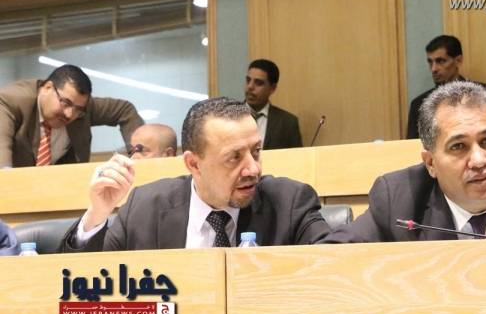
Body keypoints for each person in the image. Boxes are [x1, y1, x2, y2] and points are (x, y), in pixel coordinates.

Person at [322, 81, 486, 243]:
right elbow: (329, 261)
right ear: (430, 163)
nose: (479, 160)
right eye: (458, 146)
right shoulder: (399, 203)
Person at [60, 97, 329, 252]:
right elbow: (82, 286)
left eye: (256, 151)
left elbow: (336, 257)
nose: (253, 169)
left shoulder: (289, 203)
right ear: (193, 164)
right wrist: (97, 215)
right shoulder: (145, 207)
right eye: (234, 157)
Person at [0, 64, 144, 168]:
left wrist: (138, 154)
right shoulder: (10, 101)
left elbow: (124, 110)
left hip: (62, 188)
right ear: (47, 88)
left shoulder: (83, 107)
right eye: (65, 103)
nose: (70, 114)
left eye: (78, 109)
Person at [406, 35, 486, 139]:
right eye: (430, 62)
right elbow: (411, 145)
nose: (434, 69)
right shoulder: (419, 104)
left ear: (458, 61)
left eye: (440, 61)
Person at [245, 59, 302, 149]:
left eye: (258, 83)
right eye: (248, 80)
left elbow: (297, 156)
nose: (250, 86)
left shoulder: (288, 123)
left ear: (272, 88)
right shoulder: (227, 118)